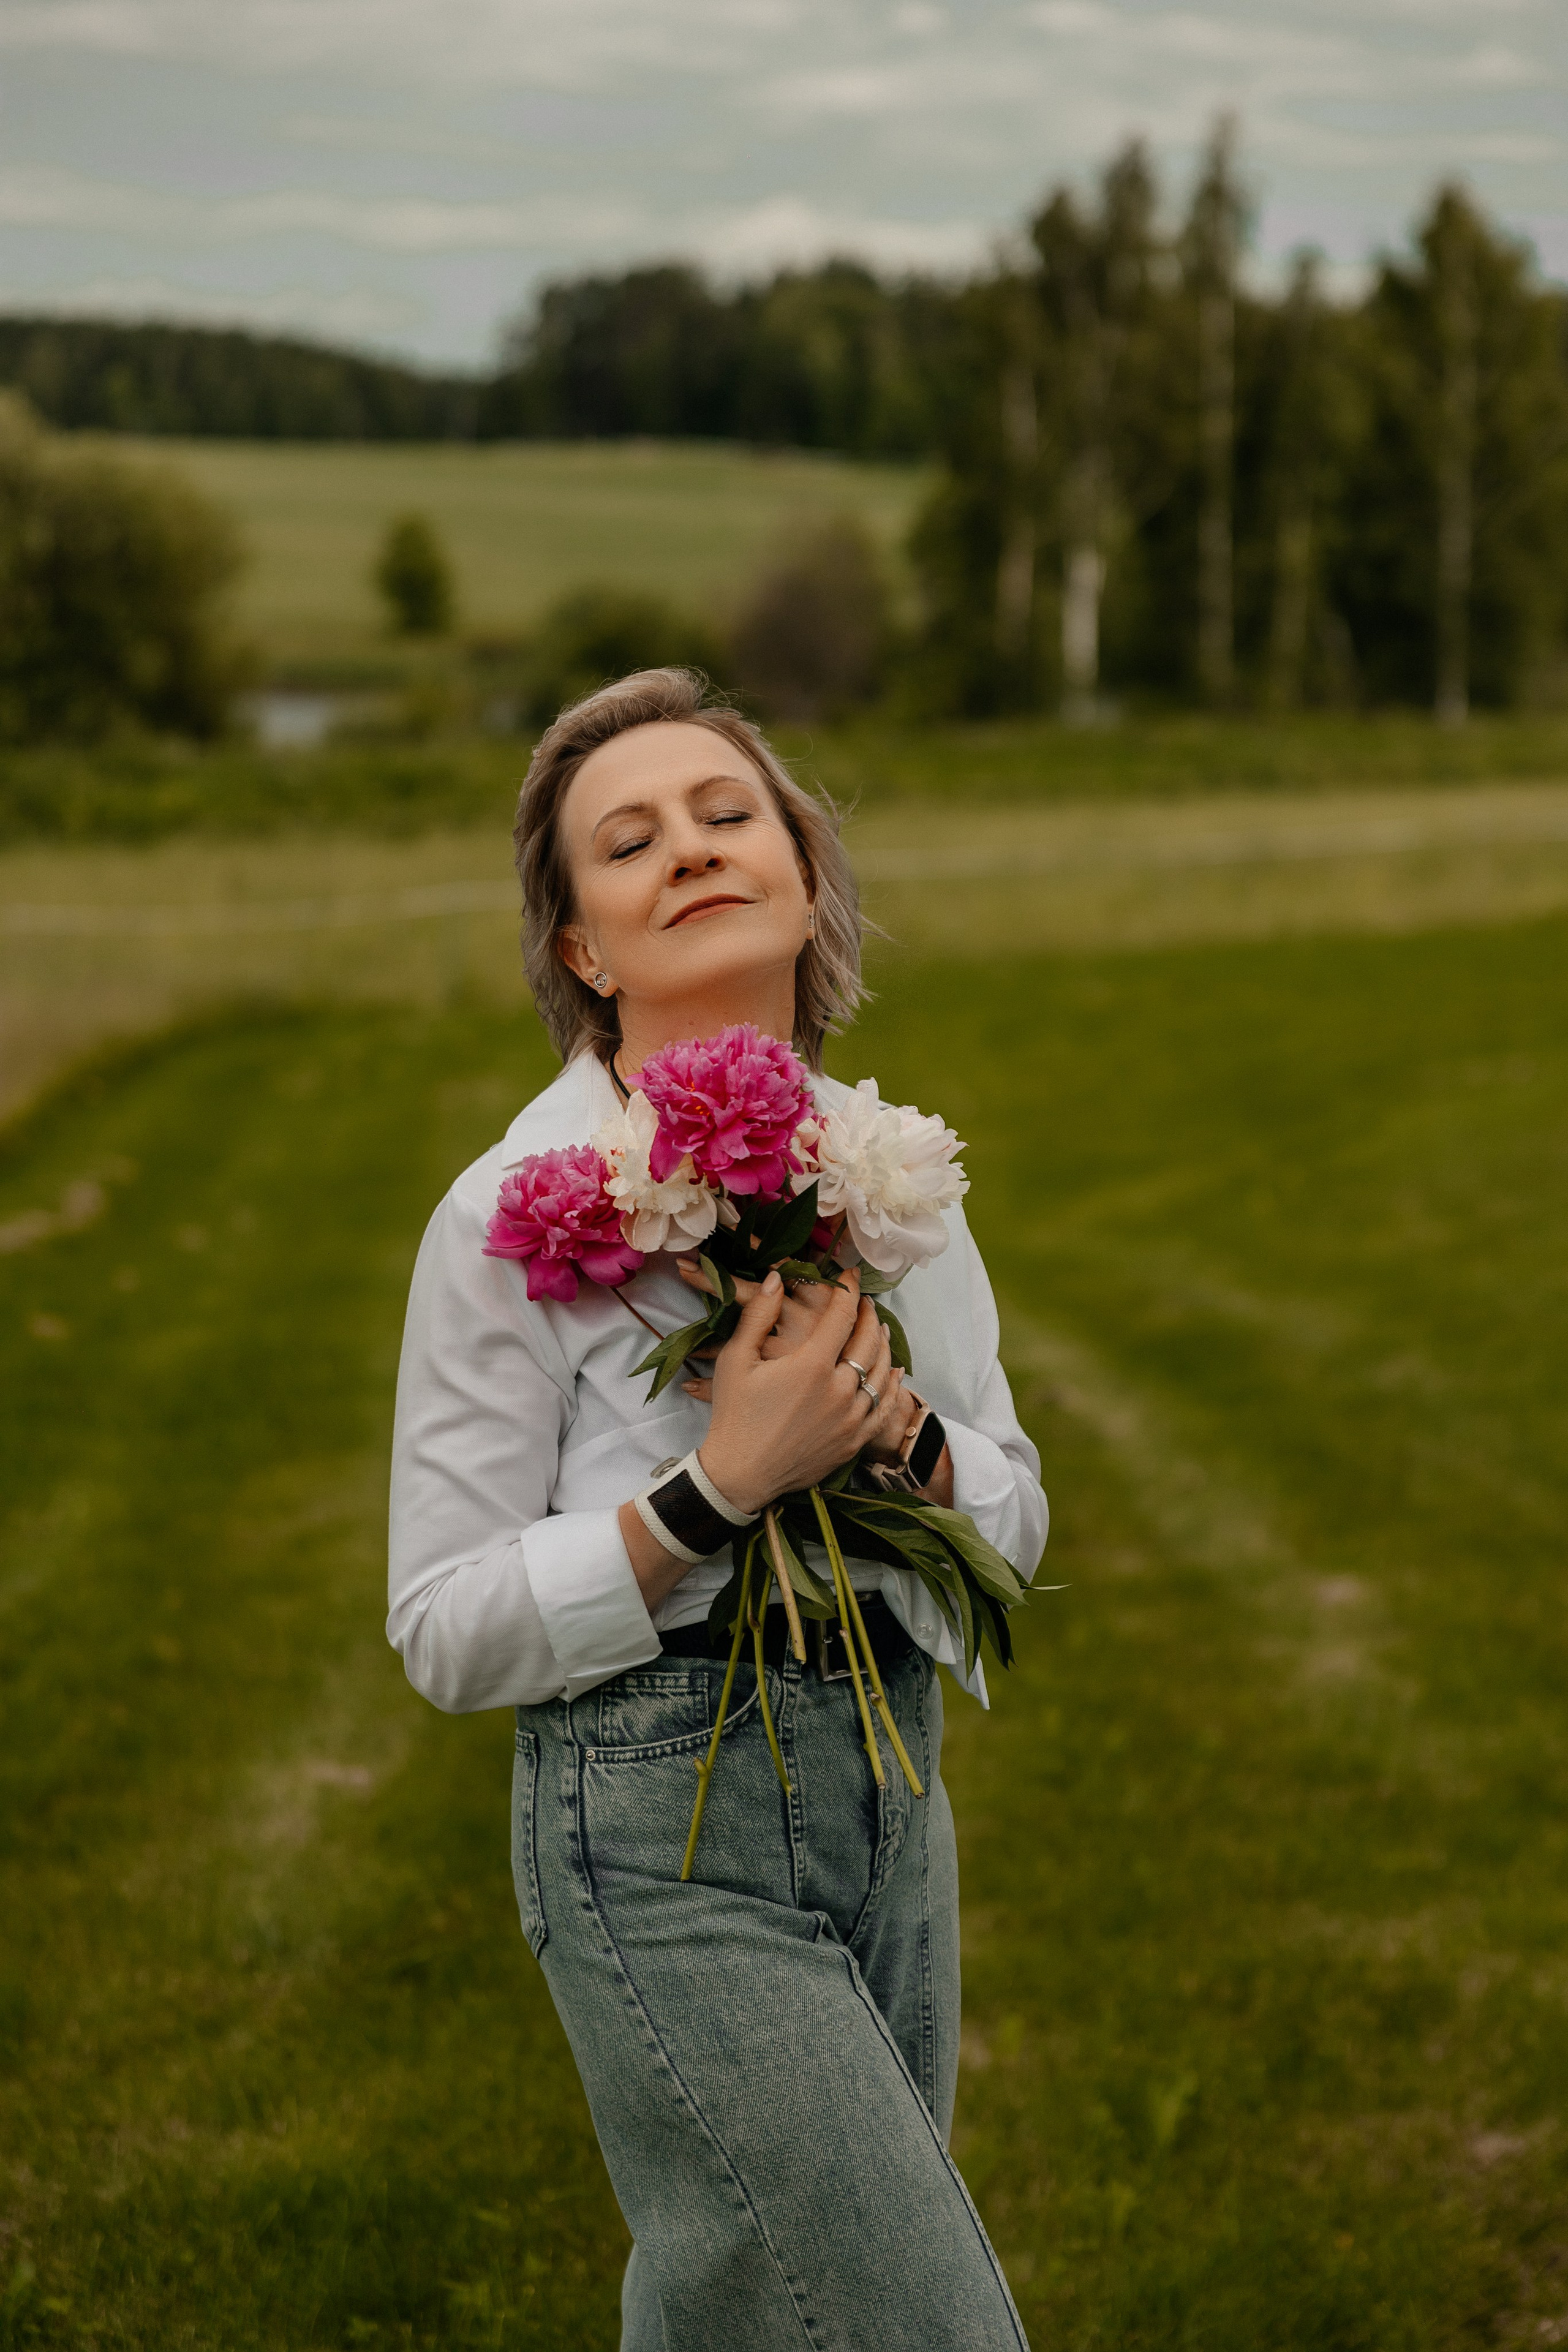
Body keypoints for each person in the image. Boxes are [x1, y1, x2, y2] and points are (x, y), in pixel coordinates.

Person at [388, 668, 1047, 2351]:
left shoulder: (889, 1177)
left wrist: (895, 1438)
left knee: (753, 2316)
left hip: (894, 1785)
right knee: (918, 2327)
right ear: (585, 951)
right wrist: (715, 1489)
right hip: (655, 1818)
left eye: (725, 813)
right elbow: (445, 1627)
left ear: (803, 874)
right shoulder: (507, 1214)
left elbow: (1017, 1516)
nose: (688, 847)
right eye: (629, 840)